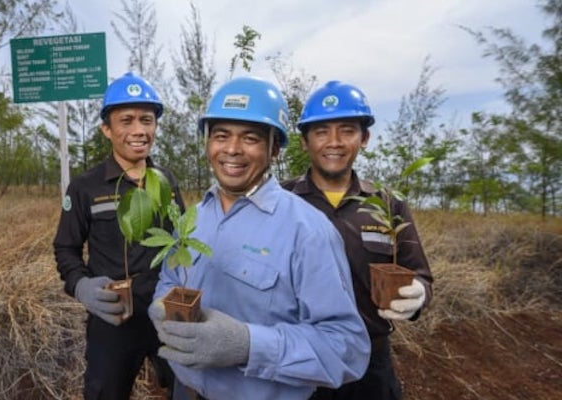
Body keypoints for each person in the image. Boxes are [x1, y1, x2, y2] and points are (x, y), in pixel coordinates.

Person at [149, 76, 371, 400]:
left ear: (274, 148)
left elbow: (346, 348)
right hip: (186, 390)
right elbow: (170, 278)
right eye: (221, 135)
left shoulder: (308, 231)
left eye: (250, 138)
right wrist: (161, 306)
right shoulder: (191, 219)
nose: (232, 150)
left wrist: (247, 346)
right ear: (207, 142)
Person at [281, 80, 434, 400]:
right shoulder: (280, 199)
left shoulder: (388, 203)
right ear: (304, 141)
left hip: (370, 362)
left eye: (347, 130)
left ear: (364, 138)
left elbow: (419, 272)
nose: (333, 142)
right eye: (321, 131)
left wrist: (417, 293)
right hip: (298, 356)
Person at [53, 71, 182, 400]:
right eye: (126, 120)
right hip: (113, 315)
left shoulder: (164, 180)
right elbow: (66, 248)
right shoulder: (85, 187)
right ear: (106, 130)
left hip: (164, 309)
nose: (139, 130)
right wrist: (80, 286)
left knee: (184, 388)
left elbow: (180, 238)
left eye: (147, 120)